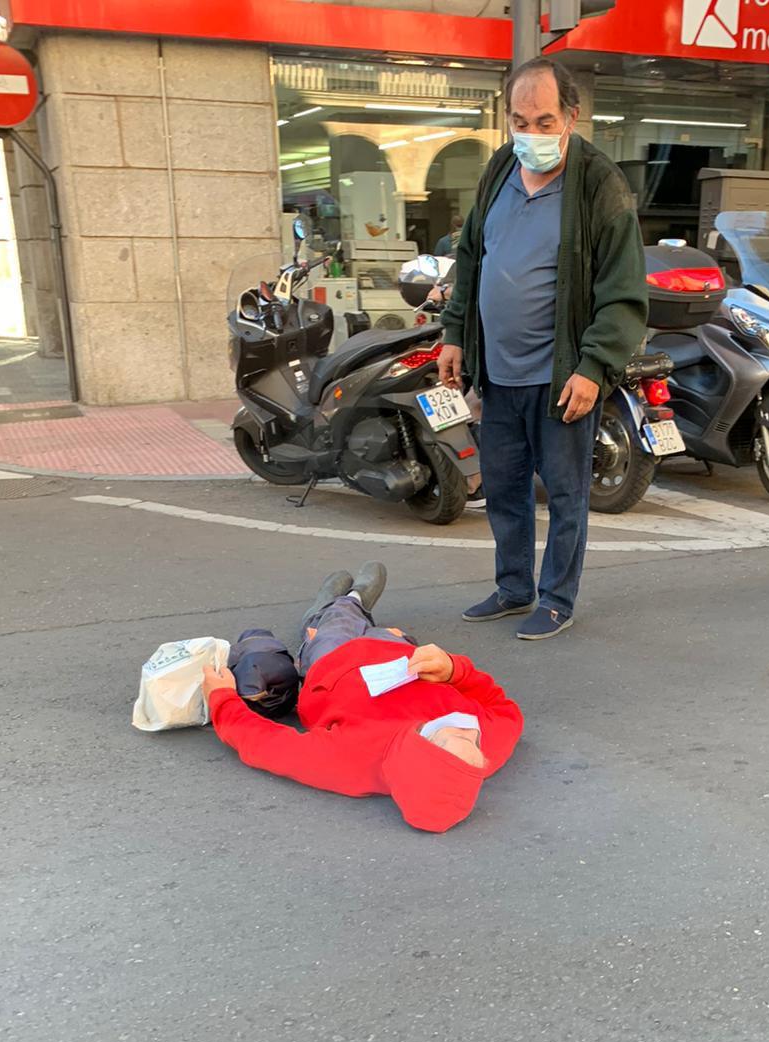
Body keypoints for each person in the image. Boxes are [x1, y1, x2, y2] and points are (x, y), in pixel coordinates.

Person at [439, 57, 648, 641]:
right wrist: (456, 332)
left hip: (561, 376)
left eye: (543, 120)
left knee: (564, 495)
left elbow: (624, 292)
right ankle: (513, 588)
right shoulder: (500, 168)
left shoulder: (598, 184)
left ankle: (557, 597)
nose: (530, 134)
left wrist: (594, 367)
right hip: (498, 373)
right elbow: (472, 257)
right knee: (503, 488)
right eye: (520, 120)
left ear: (571, 118)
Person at [201, 562, 523, 833]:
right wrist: (454, 669)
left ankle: (343, 604)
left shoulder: (353, 762)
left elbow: (267, 745)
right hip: (400, 656)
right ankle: (336, 613)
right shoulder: (488, 743)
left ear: (417, 749)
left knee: (336, 627)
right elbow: (504, 708)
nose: (467, 730)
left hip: (334, 666)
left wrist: (222, 699)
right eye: (473, 741)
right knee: (389, 633)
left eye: (447, 738)